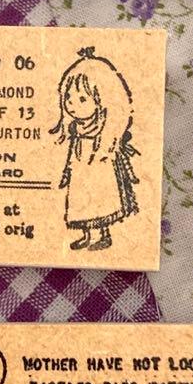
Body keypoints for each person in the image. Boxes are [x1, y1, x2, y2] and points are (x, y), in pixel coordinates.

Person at [51, 47, 139, 251]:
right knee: (81, 200)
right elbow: (72, 151)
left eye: (82, 99)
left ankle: (105, 234)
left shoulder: (105, 131)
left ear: (102, 100)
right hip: (81, 169)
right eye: (69, 98)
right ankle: (87, 235)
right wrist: (67, 171)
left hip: (100, 167)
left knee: (102, 199)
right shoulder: (76, 129)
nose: (72, 105)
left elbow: (114, 153)